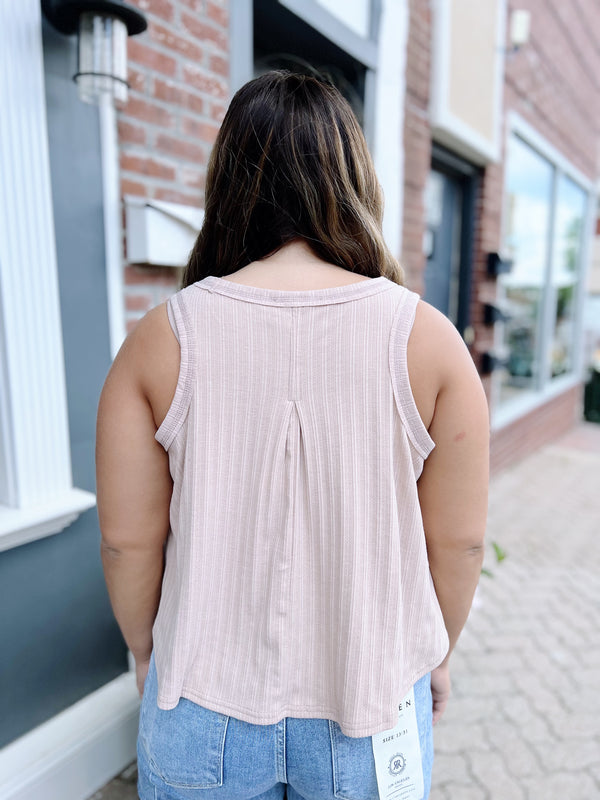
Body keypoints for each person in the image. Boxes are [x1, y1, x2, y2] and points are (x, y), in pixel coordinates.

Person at [96, 70, 489, 800]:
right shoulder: (428, 341)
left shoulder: (160, 340)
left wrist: (149, 654)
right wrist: (435, 657)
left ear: (229, 180)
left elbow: (127, 540)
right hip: (371, 704)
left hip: (200, 702)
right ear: (354, 179)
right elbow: (459, 544)